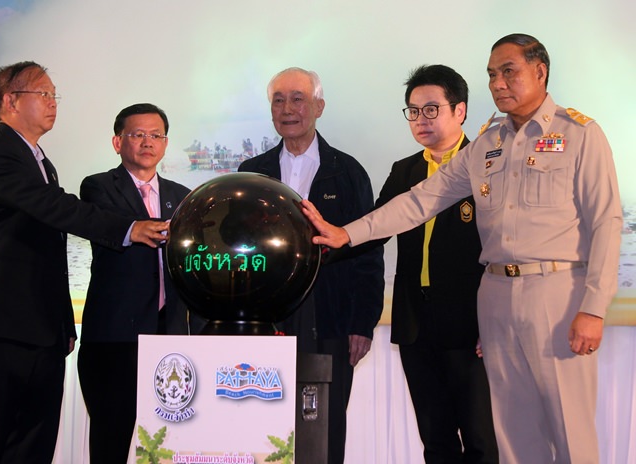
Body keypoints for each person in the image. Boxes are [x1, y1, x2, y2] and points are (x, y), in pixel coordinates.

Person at [302, 34, 622, 464]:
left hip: (556, 294)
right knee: (512, 434)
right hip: (495, 299)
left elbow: (606, 222)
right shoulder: (487, 144)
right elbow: (420, 201)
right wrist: (346, 234)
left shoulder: (579, 133)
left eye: (509, 71)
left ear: (540, 72)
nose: (498, 83)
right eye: (492, 74)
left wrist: (595, 307)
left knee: (569, 431)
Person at [0, 62, 168, 464]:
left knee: (32, 446)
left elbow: (49, 252)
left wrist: (63, 324)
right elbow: (55, 209)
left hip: (42, 333)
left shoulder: (41, 162)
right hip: (2, 327)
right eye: (44, 95)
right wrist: (130, 228)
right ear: (11, 101)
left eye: (55, 96)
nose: (53, 104)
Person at [238, 67, 384, 464]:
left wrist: (361, 323)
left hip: (332, 320)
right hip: (266, 323)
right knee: (261, 427)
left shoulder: (348, 171)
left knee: (324, 428)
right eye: (278, 100)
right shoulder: (251, 173)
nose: (288, 108)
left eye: (298, 98)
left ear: (318, 106)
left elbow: (368, 252)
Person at [377, 64, 497, 463]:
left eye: (431, 109)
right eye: (413, 110)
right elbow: (371, 231)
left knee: (483, 441)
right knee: (437, 442)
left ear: (459, 111)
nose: (420, 120)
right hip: (417, 325)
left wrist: (494, 321)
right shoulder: (404, 171)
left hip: (472, 328)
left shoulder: (489, 166)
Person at [77, 103, 202, 463]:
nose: (148, 142)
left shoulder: (182, 196)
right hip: (116, 336)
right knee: (111, 440)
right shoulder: (99, 187)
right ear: (118, 142)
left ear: (165, 144)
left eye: (156, 135)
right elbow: (114, 225)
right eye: (138, 134)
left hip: (171, 335)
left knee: (170, 445)